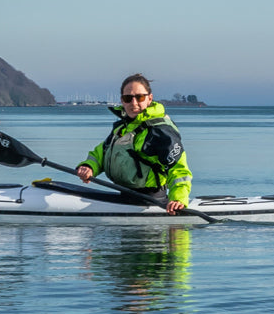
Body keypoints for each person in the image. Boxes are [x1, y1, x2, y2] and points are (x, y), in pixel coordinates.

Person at [75, 73, 192, 215]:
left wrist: (178, 199)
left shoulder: (160, 131)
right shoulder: (122, 128)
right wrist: (89, 167)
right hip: (124, 195)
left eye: (140, 97)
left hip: (151, 200)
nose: (134, 103)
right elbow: (102, 152)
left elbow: (178, 169)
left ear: (150, 98)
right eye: (128, 98)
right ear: (122, 101)